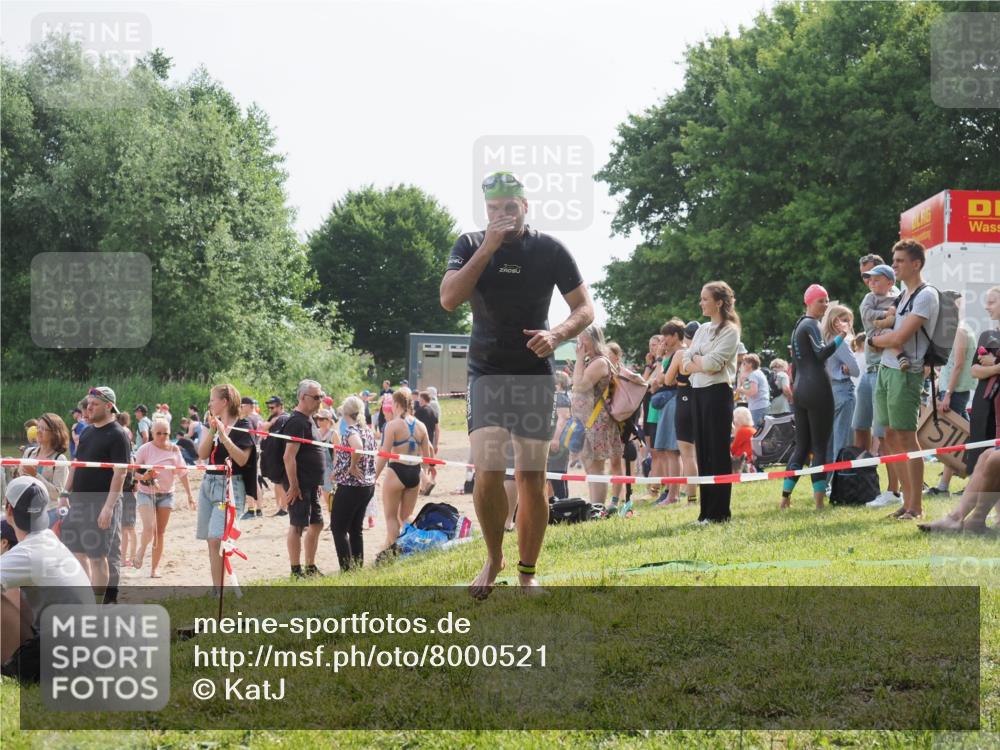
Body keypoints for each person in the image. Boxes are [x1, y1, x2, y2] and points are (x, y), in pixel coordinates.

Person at [440, 170, 593, 595]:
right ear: (485, 210)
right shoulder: (470, 244)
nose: (502, 216)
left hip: (533, 372)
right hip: (487, 370)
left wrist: (558, 335)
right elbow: (449, 298)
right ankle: (493, 557)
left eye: (510, 208)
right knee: (487, 469)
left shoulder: (549, 248)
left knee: (531, 475)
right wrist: (488, 246)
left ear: (525, 206)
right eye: (494, 209)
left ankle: (528, 572)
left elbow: (584, 307)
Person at [869, 239, 940, 521]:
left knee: (907, 438)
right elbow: (893, 333)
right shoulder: (904, 296)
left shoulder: (926, 295)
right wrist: (882, 340)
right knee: (889, 437)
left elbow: (899, 337)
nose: (894, 265)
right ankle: (904, 502)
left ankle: (916, 507)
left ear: (916, 264)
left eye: (899, 260)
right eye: (894, 259)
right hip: (886, 370)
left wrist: (874, 340)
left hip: (906, 373)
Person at [1, 476, 92, 680]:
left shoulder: (28, 552)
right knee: (12, 588)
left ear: (9, 510)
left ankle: (10, 664)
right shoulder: (49, 540)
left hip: (61, 654)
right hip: (81, 646)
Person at [780, 285, 851, 510]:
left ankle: (785, 497)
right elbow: (821, 354)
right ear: (809, 302)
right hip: (818, 390)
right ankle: (819, 503)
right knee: (819, 447)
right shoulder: (811, 324)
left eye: (827, 300)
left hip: (801, 390)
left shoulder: (799, 325)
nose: (825, 305)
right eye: (821, 300)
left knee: (801, 446)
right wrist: (842, 336)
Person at [59, 387, 130, 597]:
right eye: (88, 403)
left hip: (100, 502)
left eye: (94, 404)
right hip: (78, 501)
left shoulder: (118, 435)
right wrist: (64, 493)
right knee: (77, 554)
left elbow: (121, 474)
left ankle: (99, 606)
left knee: (98, 557)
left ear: (109, 406)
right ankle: (87, 601)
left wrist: (108, 508)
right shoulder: (87, 431)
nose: (89, 407)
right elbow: (77, 464)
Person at [681, 283, 742, 522]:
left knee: (717, 453)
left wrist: (698, 361)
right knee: (703, 451)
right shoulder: (702, 329)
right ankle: (705, 512)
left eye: (705, 299)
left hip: (717, 394)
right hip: (698, 393)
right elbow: (685, 362)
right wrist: (699, 361)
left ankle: (720, 513)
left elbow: (713, 364)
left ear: (718, 302)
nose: (701, 302)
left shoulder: (730, 330)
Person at [197, 384, 256, 591]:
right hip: (208, 483)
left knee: (217, 539)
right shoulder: (212, 424)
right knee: (210, 541)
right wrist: (213, 430)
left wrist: (224, 437)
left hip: (230, 486)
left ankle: (222, 591)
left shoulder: (244, 424)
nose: (210, 403)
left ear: (225, 402)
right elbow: (202, 455)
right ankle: (217, 590)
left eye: (212, 399)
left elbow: (242, 459)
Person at [133, 418, 194, 577]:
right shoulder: (145, 449)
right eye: (158, 433)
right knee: (149, 527)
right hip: (146, 492)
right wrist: (145, 476)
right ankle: (141, 550)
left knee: (160, 532)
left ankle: (154, 569)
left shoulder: (174, 450)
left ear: (169, 433)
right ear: (152, 433)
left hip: (167, 495)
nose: (161, 436)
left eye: (165, 433)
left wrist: (189, 495)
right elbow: (134, 473)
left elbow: (183, 473)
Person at [375, 390, 432, 556]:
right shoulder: (421, 426)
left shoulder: (392, 425)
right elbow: (427, 460)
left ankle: (394, 554)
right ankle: (413, 547)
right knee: (406, 516)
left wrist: (374, 477)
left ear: (397, 404)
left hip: (396, 471)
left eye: (392, 404)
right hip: (414, 473)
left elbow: (384, 454)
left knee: (391, 517)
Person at [571, 325, 623, 508]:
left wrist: (578, 359)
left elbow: (579, 385)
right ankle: (595, 505)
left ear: (592, 340)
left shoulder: (600, 362)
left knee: (596, 467)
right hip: (588, 421)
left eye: (582, 339)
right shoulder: (591, 361)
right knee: (589, 465)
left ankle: (597, 507)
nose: (579, 343)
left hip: (597, 421)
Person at [281, 380, 327, 578]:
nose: (319, 401)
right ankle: (295, 570)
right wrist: (293, 485)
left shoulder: (309, 419)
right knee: (297, 525)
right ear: (302, 398)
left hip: (310, 484)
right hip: (299, 484)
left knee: (317, 523)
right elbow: (288, 456)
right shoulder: (297, 421)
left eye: (321, 396)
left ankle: (310, 567)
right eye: (316, 397)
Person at [926, 316, 977, 496]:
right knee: (970, 440)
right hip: (952, 391)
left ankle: (943, 487)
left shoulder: (960, 331)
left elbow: (959, 365)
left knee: (954, 441)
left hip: (955, 392)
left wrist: (947, 393)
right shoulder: (956, 332)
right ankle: (973, 484)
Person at [330, 396, 378, 571]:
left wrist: (351, 466)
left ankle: (347, 569)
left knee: (338, 528)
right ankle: (357, 567)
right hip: (367, 485)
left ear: (345, 412)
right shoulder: (367, 431)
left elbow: (357, 447)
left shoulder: (351, 431)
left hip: (352, 486)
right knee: (355, 528)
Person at [961, 287, 1000, 480]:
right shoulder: (987, 336)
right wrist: (996, 368)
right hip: (983, 402)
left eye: (992, 302)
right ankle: (975, 489)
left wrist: (994, 364)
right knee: (979, 449)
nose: (987, 307)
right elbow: (974, 370)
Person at [652, 320, 686, 506]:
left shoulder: (679, 353)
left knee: (673, 451)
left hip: (674, 401)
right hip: (671, 402)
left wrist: (658, 360)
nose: (663, 339)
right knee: (668, 450)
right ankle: (671, 493)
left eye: (666, 335)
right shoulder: (673, 354)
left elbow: (663, 380)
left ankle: (673, 495)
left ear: (675, 335)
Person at [823, 304, 860, 465]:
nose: (848, 325)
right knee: (842, 440)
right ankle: (840, 479)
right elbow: (856, 370)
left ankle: (829, 481)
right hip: (843, 390)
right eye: (845, 320)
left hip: (828, 391)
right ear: (835, 321)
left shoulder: (824, 339)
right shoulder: (840, 342)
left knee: (831, 440)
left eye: (849, 321)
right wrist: (847, 368)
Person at [13, 413, 69, 511]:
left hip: (48, 511)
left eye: (43, 429)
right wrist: (15, 470)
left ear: (54, 433)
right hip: (26, 508)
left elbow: (57, 494)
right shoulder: (29, 452)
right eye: (38, 427)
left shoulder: (60, 459)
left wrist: (35, 475)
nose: (38, 432)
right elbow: (20, 480)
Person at [674, 322, 700, 506]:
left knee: (688, 456)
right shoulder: (704, 354)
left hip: (683, 402)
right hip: (700, 402)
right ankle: (700, 495)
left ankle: (691, 498)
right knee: (700, 454)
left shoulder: (681, 354)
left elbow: (667, 379)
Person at [260, 395, 289, 517]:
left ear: (280, 406)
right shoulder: (273, 417)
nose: (271, 409)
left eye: (273, 407)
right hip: (272, 455)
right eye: (269, 407)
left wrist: (271, 423)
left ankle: (284, 508)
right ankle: (280, 507)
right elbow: (262, 428)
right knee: (277, 482)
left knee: (282, 482)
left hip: (280, 455)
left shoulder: (284, 418)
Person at [546, 371, 573, 501]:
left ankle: (562, 504)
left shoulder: (561, 398)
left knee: (557, 476)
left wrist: (555, 439)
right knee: (557, 475)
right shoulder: (560, 397)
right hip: (558, 441)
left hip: (558, 441)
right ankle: (561, 503)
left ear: (559, 384)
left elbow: (562, 420)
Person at [414, 392, 440, 495]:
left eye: (419, 399)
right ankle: (423, 487)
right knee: (425, 464)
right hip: (430, 441)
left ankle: (426, 483)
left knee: (417, 464)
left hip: (420, 440)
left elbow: (415, 426)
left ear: (423, 400)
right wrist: (436, 444)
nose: (418, 401)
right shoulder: (433, 411)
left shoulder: (419, 412)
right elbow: (437, 429)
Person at [737, 353, 771, 428]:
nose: (743, 365)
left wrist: (740, 390)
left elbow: (753, 392)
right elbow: (748, 390)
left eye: (744, 363)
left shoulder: (754, 374)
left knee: (756, 432)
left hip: (758, 407)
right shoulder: (756, 373)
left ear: (751, 364)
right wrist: (743, 378)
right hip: (760, 406)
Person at [730, 406, 755, 472]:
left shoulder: (742, 431)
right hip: (751, 459)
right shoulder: (752, 429)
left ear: (737, 421)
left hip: (743, 462)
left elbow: (732, 450)